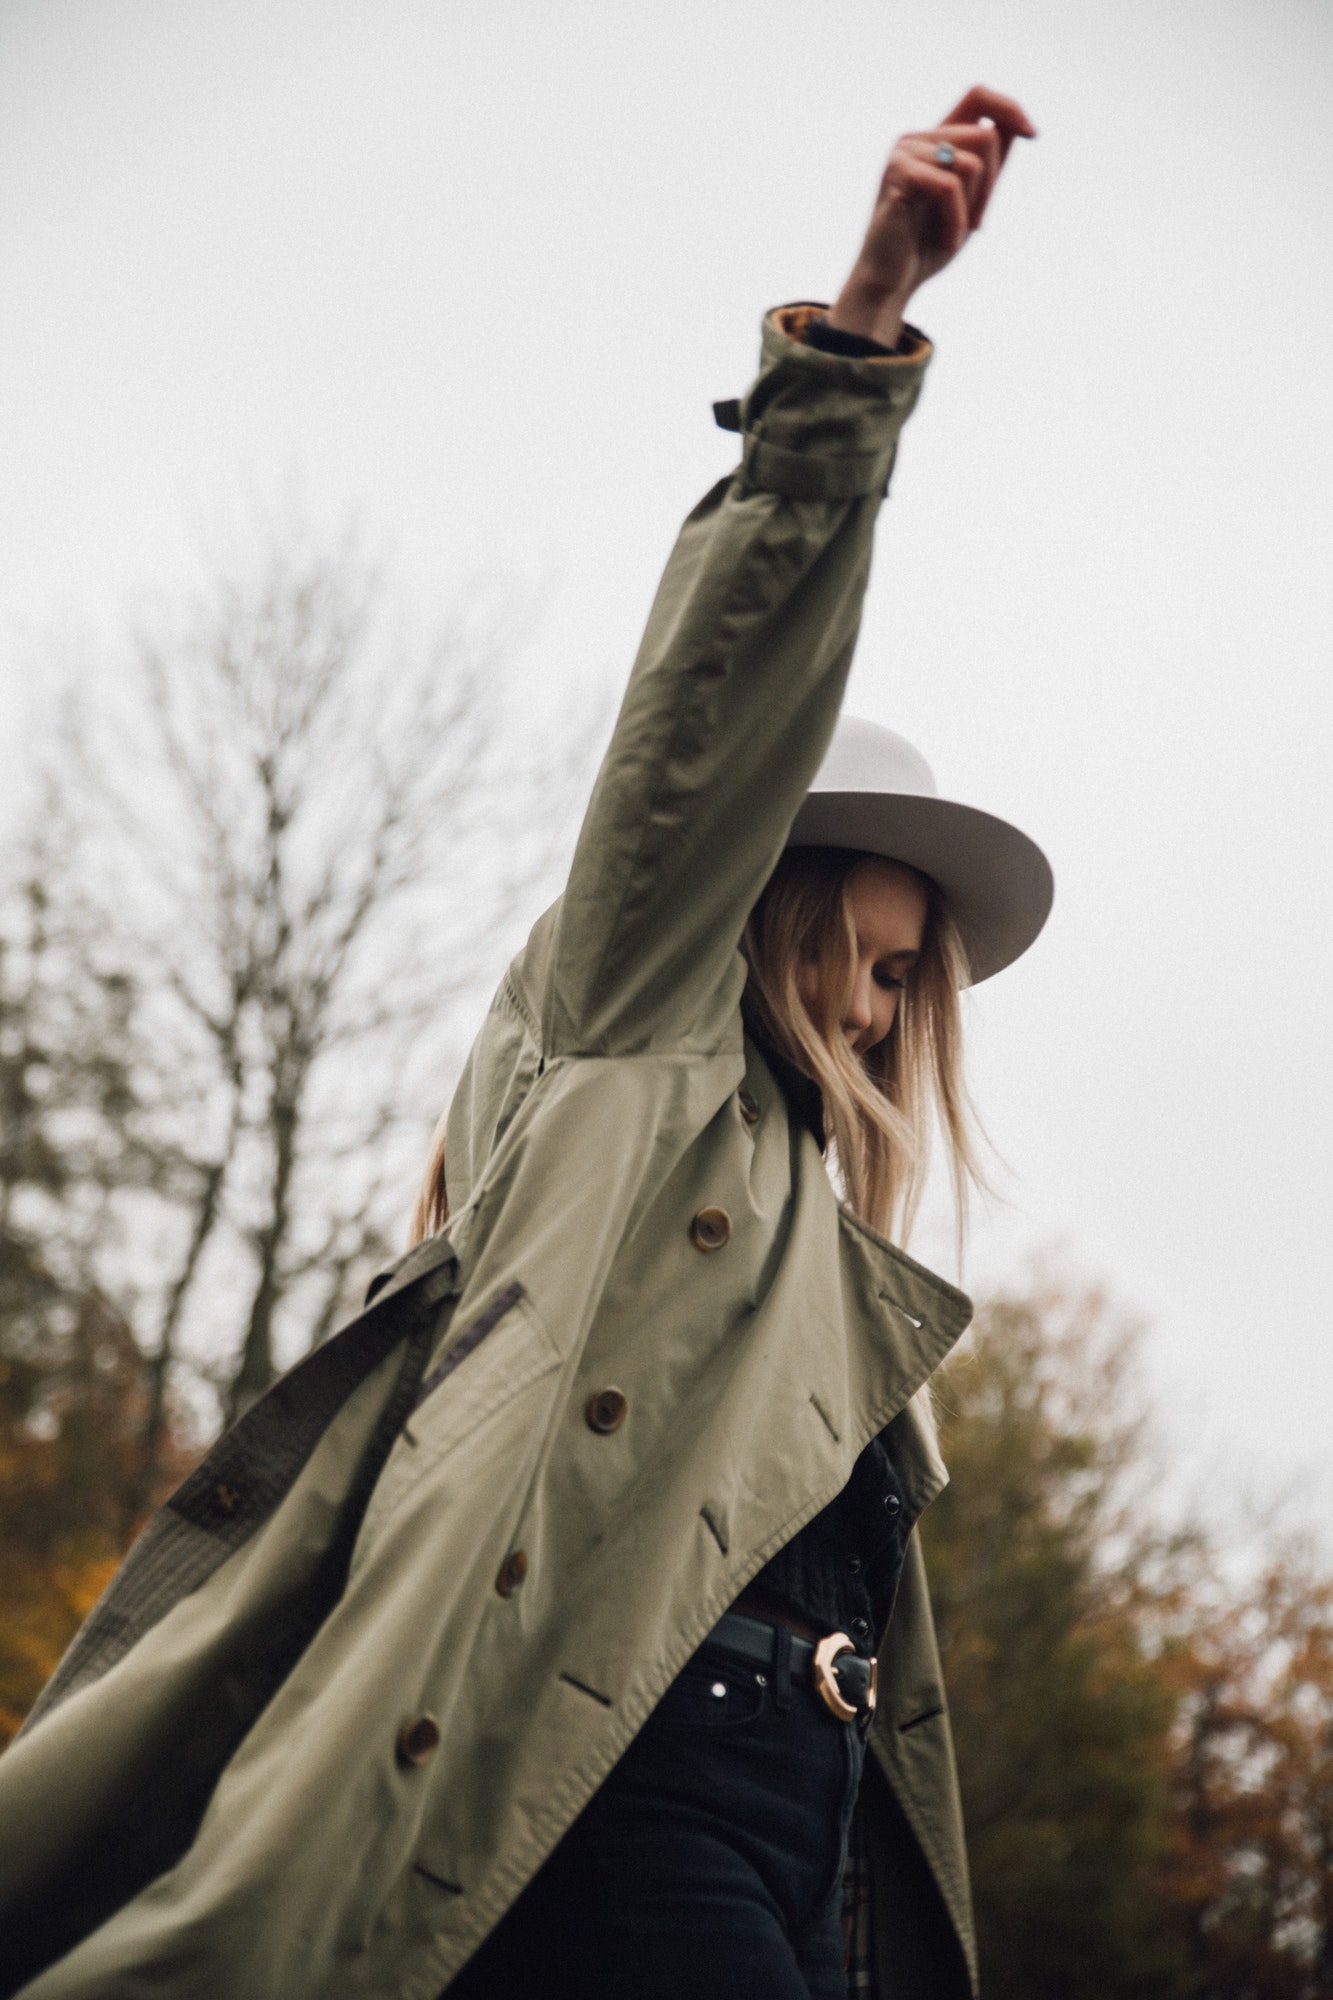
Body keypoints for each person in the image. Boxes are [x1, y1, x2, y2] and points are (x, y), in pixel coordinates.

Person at [0, 85, 1050, 2000]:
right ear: (759, 912)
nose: (880, 1013)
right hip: (607, 1820)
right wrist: (855, 352)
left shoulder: (842, 1287)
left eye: (913, 985)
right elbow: (697, 743)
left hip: (788, 1869)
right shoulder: (631, 1062)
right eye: (858, 954)